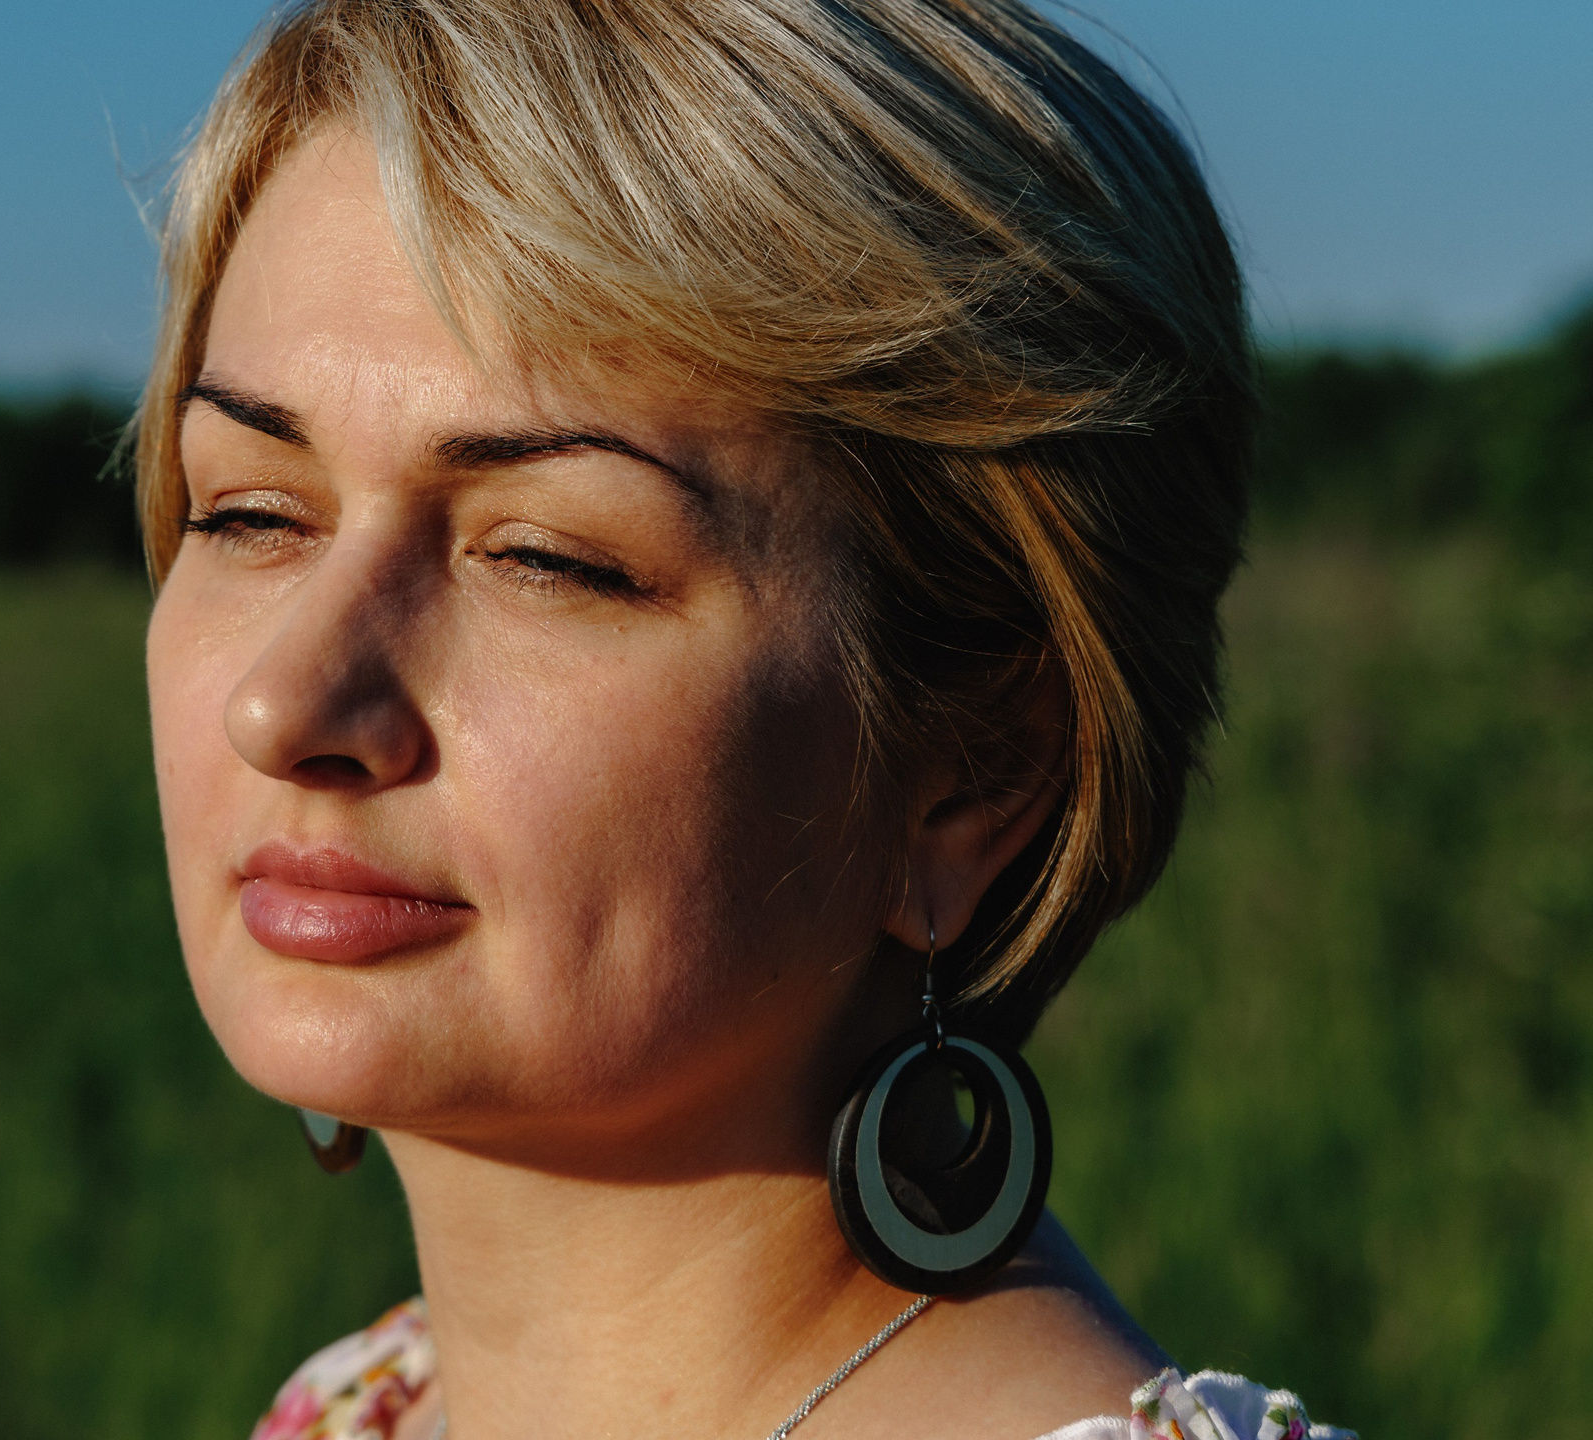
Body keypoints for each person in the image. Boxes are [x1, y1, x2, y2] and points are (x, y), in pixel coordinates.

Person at [136, 2, 1350, 1436]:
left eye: (548, 557)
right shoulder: (364, 1408)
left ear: (974, 770)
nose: (289, 702)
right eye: (253, 512)